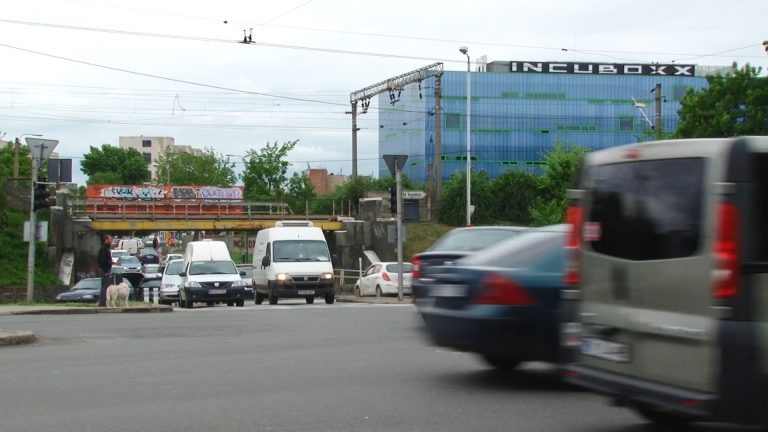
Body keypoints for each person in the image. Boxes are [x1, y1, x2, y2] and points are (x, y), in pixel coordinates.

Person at [97, 233, 113, 307]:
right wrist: (106, 270)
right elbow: (102, 260)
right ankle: (102, 302)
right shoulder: (104, 249)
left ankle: (103, 302)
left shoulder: (105, 248)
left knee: (105, 286)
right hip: (105, 270)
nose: (111, 241)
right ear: (106, 240)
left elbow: (105, 260)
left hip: (106, 269)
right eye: (110, 239)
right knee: (105, 287)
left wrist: (111, 262)